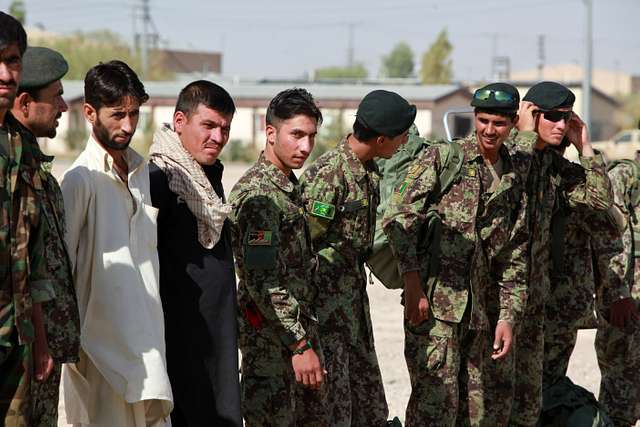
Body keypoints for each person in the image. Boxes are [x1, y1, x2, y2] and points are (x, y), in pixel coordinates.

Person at [383, 83, 530, 427]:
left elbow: (515, 252)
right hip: (434, 312)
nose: (489, 130)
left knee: (474, 415)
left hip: (481, 317)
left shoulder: (513, 174)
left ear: (512, 125)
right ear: (473, 118)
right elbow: (397, 217)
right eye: (483, 120)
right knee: (433, 410)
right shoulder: (444, 159)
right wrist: (413, 281)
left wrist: (508, 317)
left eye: (499, 123)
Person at [58, 60, 173, 427]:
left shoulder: (140, 173)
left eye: (134, 114)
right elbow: (64, 269)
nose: (127, 125)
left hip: (145, 339)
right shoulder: (80, 180)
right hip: (99, 352)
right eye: (117, 114)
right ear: (90, 112)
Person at [300, 90, 414, 426]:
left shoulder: (368, 171)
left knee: (369, 410)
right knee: (333, 411)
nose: (405, 142)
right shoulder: (328, 177)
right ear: (381, 139)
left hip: (352, 313)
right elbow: (302, 249)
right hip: (326, 319)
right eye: (402, 136)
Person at [507, 81, 613, 427]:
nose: (560, 125)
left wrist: (584, 146)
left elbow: (599, 202)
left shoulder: (557, 168)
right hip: (506, 300)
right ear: (530, 114)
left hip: (547, 301)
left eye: (566, 119)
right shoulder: (505, 155)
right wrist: (522, 134)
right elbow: (507, 190)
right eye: (551, 117)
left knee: (542, 390)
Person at [228, 88, 326, 427]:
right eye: (296, 135)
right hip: (273, 351)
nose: (306, 147)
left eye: (312, 136)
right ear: (270, 133)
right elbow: (262, 280)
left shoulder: (287, 187)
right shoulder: (259, 196)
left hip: (292, 342)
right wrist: (299, 344)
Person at [148, 80, 242, 426]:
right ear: (179, 122)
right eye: (209, 125)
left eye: (225, 128)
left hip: (216, 342)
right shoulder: (159, 181)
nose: (218, 137)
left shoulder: (207, 180)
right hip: (181, 348)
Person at [10, 46, 81, 427]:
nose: (63, 108)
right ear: (25, 102)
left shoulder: (39, 172)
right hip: (24, 346)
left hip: (41, 346)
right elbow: (23, 265)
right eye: (56, 98)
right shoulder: (15, 170)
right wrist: (38, 340)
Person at [0, 12, 56, 426]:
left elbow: (32, 254)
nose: (6, 73)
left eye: (14, 60)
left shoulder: (22, 146)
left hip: (15, 340)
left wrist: (37, 339)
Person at [597, 154, 640, 425]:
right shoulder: (623, 177)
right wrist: (618, 294)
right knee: (620, 395)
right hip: (629, 302)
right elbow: (611, 239)